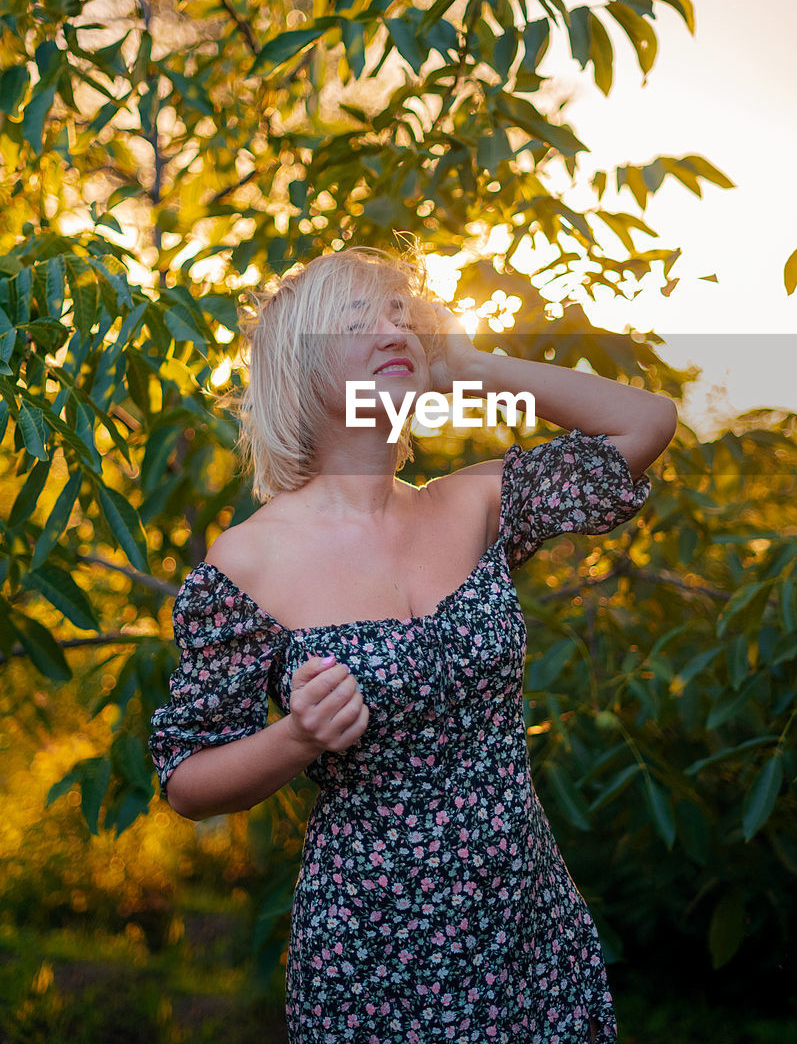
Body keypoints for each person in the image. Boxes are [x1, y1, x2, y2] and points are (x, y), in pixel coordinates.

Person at [148, 242, 677, 1044]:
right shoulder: (249, 561)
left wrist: (468, 364)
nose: (393, 327)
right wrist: (296, 738)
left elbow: (645, 423)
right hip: (375, 954)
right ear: (303, 365)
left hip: (528, 929)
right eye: (359, 317)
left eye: (402, 315)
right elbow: (188, 779)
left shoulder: (471, 504)